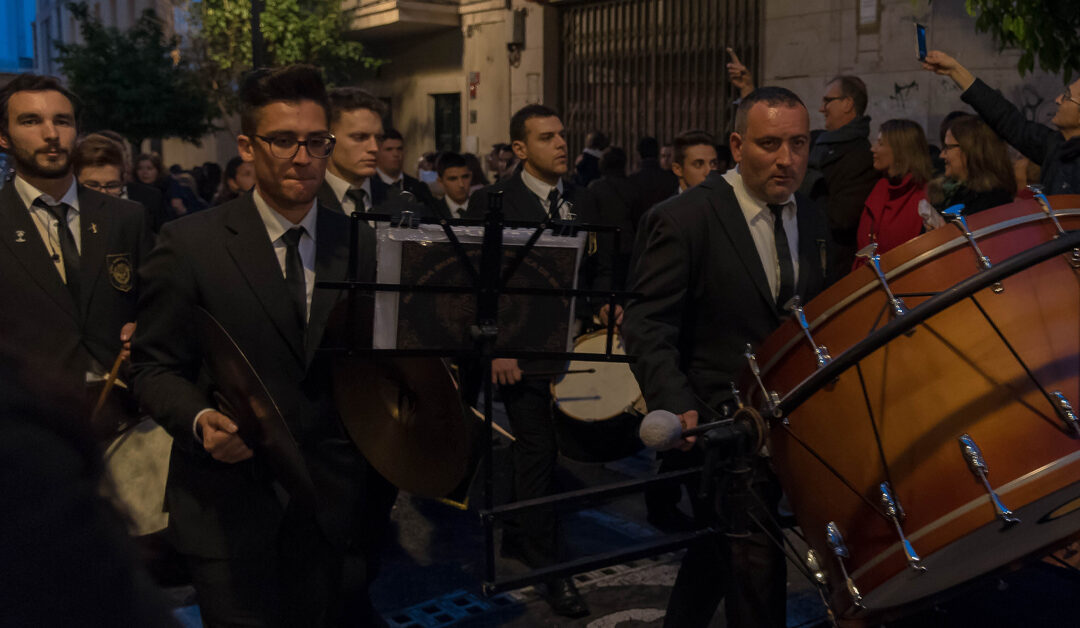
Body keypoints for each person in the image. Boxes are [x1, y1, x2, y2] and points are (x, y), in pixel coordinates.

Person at [130, 64, 388, 627]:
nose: (302, 157)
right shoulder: (190, 244)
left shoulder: (365, 243)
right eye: (283, 141)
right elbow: (152, 367)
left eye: (316, 142)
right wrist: (199, 418)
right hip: (228, 508)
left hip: (332, 507)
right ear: (247, 147)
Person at [624, 86, 828, 628]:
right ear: (737, 146)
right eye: (770, 144)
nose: (787, 159)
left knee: (721, 550)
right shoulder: (686, 217)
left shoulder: (812, 215)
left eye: (799, 143)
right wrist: (676, 403)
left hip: (790, 417)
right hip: (720, 423)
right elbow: (647, 324)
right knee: (754, 563)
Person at [464, 103, 597, 619]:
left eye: (562, 135)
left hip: (570, 346)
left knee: (545, 451)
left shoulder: (578, 199)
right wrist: (498, 345)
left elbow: (590, 267)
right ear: (520, 149)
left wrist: (600, 302)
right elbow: (477, 282)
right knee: (538, 451)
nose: (561, 144)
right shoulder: (492, 200)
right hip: (520, 353)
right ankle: (549, 569)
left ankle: (521, 533)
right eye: (547, 137)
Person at [0, 73, 151, 413]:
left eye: (62, 121)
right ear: (3, 137)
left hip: (126, 410)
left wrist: (146, 329)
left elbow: (159, 302)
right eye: (30, 121)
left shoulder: (126, 217)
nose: (51, 134)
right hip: (31, 422)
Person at [922, 50, 1080, 194]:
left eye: (1067, 97)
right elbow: (1005, 117)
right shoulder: (1054, 145)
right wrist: (954, 70)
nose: (1058, 100)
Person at [801, 75, 879, 281]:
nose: (821, 108)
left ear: (847, 104)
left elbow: (841, 218)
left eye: (827, 101)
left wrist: (809, 184)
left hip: (830, 267)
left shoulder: (862, 156)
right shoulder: (816, 141)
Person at [853, 119, 934, 267]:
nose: (873, 149)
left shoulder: (922, 197)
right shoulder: (881, 188)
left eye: (881, 144)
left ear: (900, 150)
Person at [936, 114, 1016, 215]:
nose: (942, 155)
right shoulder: (954, 192)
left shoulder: (993, 204)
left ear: (970, 151)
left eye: (948, 148)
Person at [372, 127, 437, 209]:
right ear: (377, 152)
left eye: (399, 149)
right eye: (389, 149)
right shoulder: (370, 186)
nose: (396, 154)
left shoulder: (419, 187)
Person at [627, 136, 678, 227]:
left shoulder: (631, 180)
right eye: (663, 156)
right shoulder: (672, 179)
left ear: (639, 154)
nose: (666, 160)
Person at [434, 151, 472, 218]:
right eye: (453, 179)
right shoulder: (431, 212)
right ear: (440, 181)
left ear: (471, 176)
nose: (461, 184)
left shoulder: (483, 209)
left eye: (465, 177)